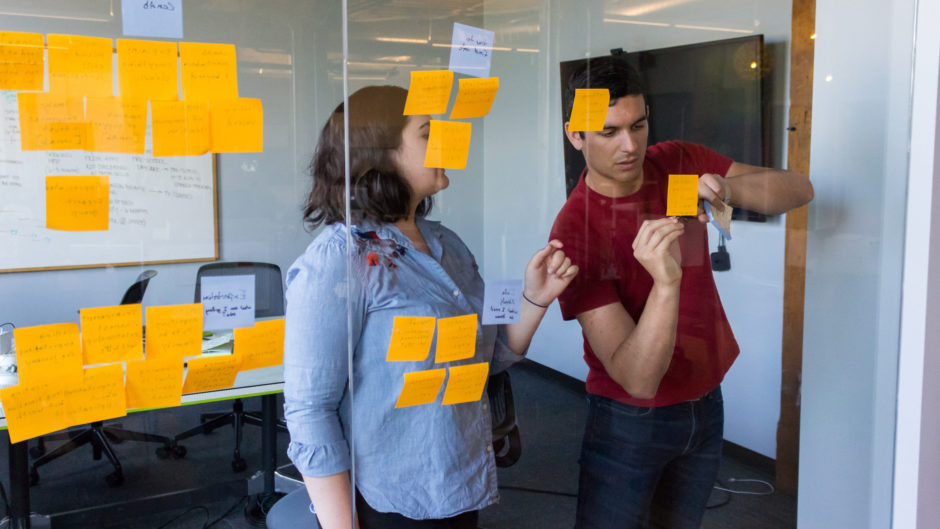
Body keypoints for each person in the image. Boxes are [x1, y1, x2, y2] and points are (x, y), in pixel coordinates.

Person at [283, 85, 578, 529]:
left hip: (457, 482)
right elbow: (309, 410)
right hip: (387, 501)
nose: (445, 144)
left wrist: (535, 297)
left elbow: (489, 356)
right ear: (380, 155)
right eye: (426, 133)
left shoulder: (447, 244)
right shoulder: (340, 260)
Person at [549, 56, 814, 529]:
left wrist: (727, 188)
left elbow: (799, 189)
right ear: (577, 137)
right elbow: (637, 379)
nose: (630, 145)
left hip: (706, 400)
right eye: (609, 132)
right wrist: (666, 283)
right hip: (629, 420)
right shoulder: (575, 232)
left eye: (639, 124)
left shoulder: (675, 160)